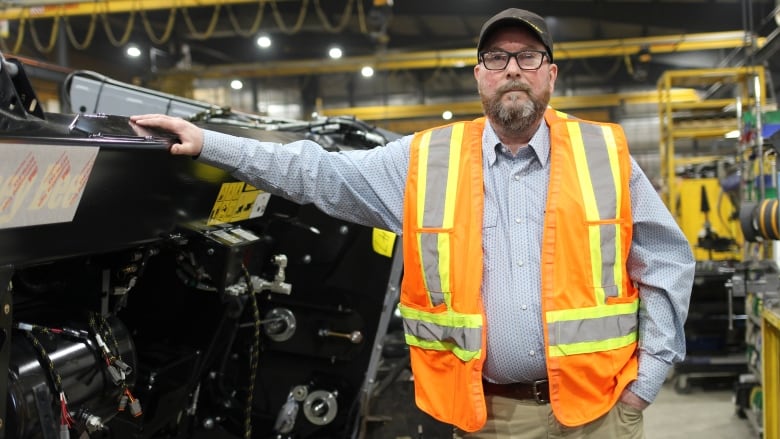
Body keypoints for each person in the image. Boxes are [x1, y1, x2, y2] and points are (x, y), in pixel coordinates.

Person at [131, 7, 695, 439]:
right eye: (497, 59)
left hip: (599, 414)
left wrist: (645, 385)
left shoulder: (606, 153)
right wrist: (210, 143)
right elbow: (315, 173)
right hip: (489, 417)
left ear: (550, 74)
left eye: (528, 57)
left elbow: (666, 260)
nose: (513, 70)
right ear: (479, 77)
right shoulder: (425, 162)